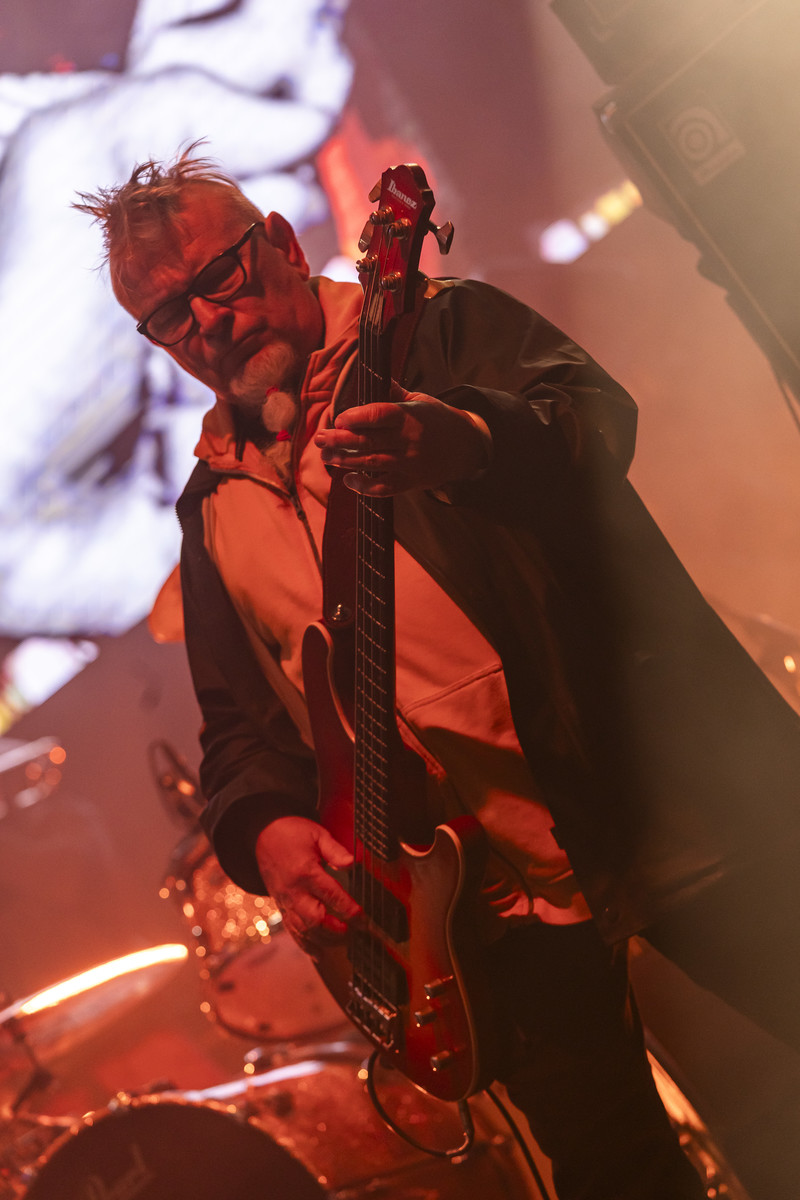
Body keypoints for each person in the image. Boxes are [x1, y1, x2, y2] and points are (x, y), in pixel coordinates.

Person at [75, 146, 800, 1200]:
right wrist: (264, 830)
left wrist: (466, 444)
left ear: (280, 244)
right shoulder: (211, 508)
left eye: (218, 278)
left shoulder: (435, 329)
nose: (208, 324)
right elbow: (238, 733)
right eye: (168, 318)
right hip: (484, 912)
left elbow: (591, 419)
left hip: (664, 800)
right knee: (615, 1174)